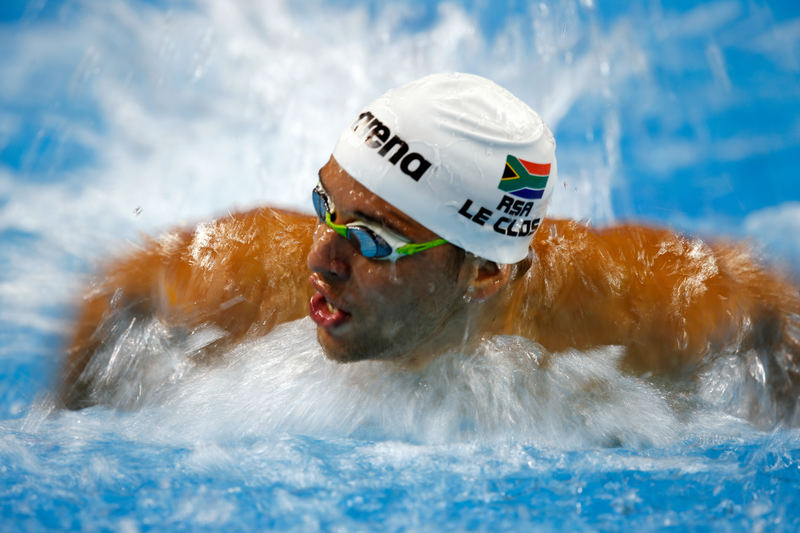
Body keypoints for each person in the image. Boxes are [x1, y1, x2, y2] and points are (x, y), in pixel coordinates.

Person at [60, 73, 800, 425]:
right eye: (326, 205)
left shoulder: (625, 314)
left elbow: (760, 301)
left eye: (373, 239)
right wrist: (73, 412)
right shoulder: (249, 274)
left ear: (482, 272)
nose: (320, 256)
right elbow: (123, 288)